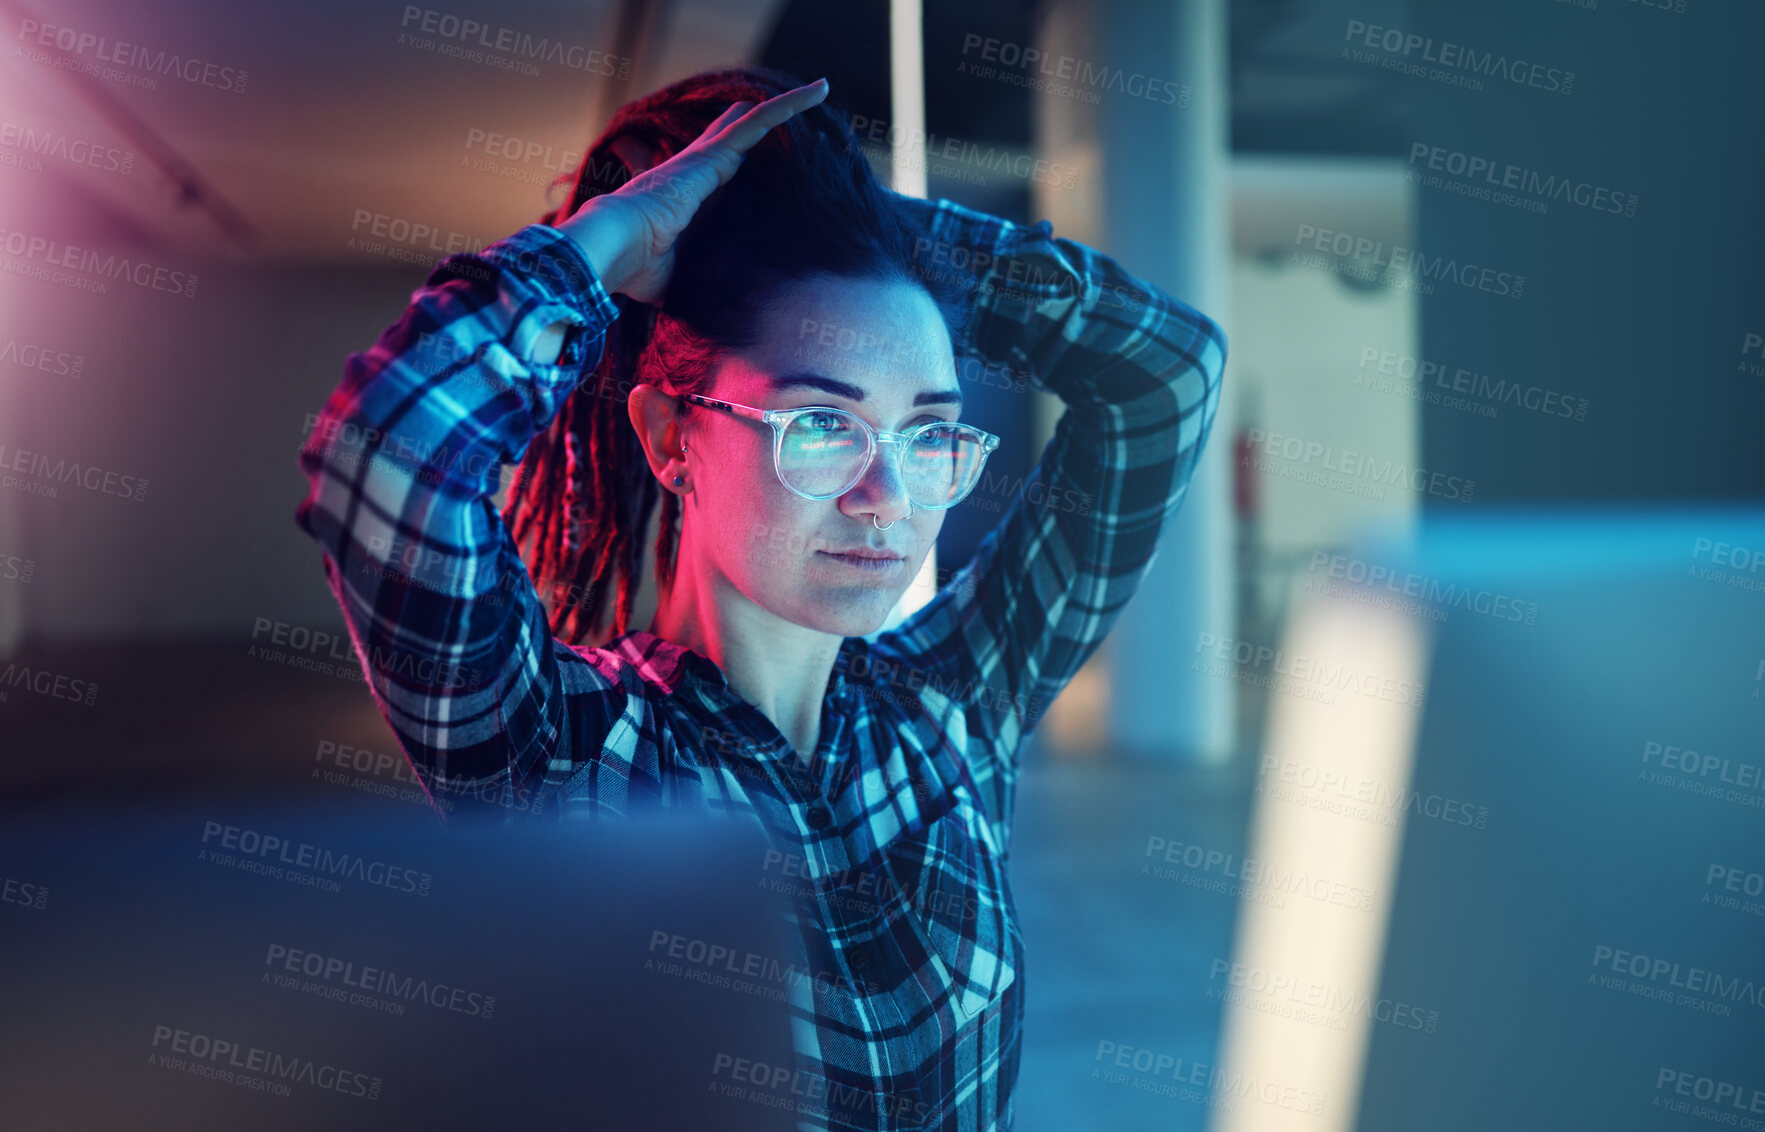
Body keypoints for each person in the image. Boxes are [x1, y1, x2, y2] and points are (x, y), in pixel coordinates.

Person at [294, 64, 1226, 1132]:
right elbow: (386, 455)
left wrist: (868, 227)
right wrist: (606, 244)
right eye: (822, 427)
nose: (887, 499)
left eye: (928, 434)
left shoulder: (955, 708)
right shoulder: (558, 755)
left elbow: (1172, 374)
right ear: (669, 438)